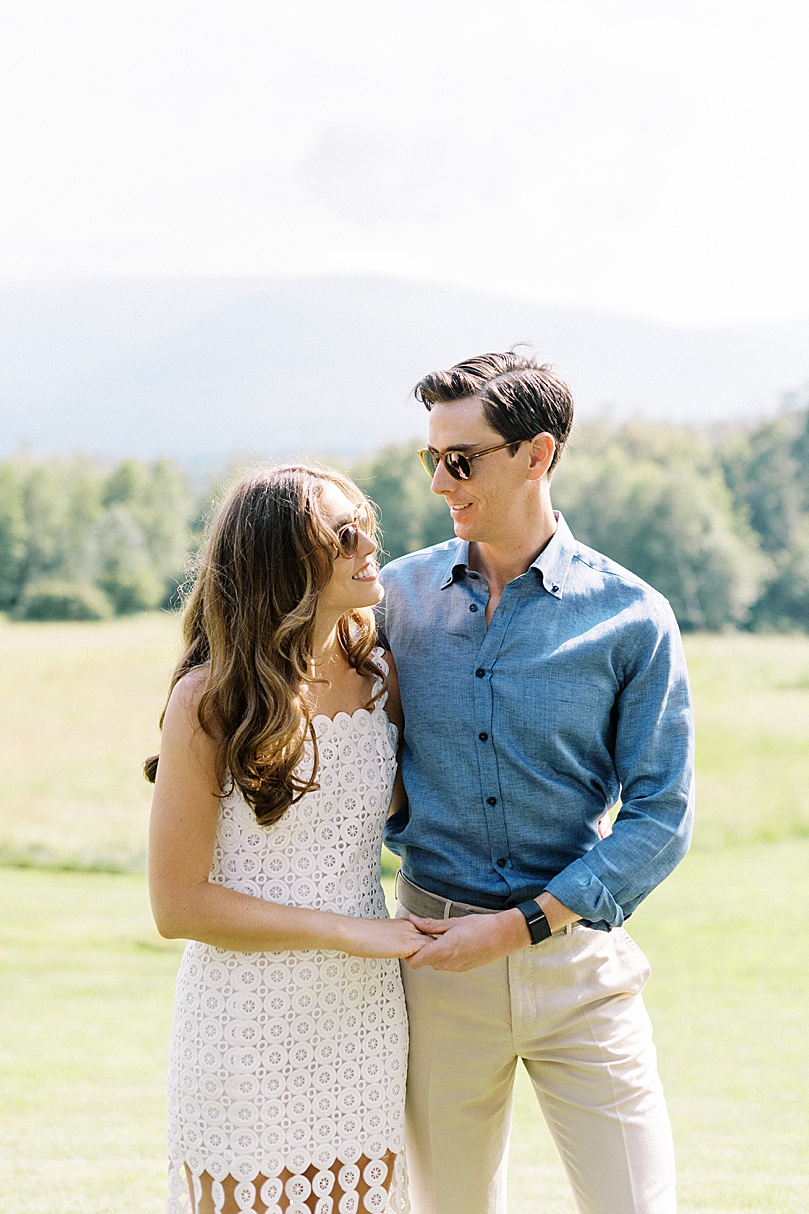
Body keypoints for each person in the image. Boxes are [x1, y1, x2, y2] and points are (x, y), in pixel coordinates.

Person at [376, 350, 695, 1214]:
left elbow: (660, 815)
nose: (441, 481)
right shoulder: (393, 600)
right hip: (437, 966)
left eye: (461, 458)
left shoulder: (631, 616)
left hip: (578, 968)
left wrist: (525, 926)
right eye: (430, 458)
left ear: (536, 454)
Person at [146, 464, 426, 1214]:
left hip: (361, 1013)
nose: (369, 542)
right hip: (244, 1016)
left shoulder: (380, 672)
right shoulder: (209, 699)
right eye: (343, 534)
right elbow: (177, 906)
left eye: (363, 519)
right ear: (281, 560)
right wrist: (349, 931)